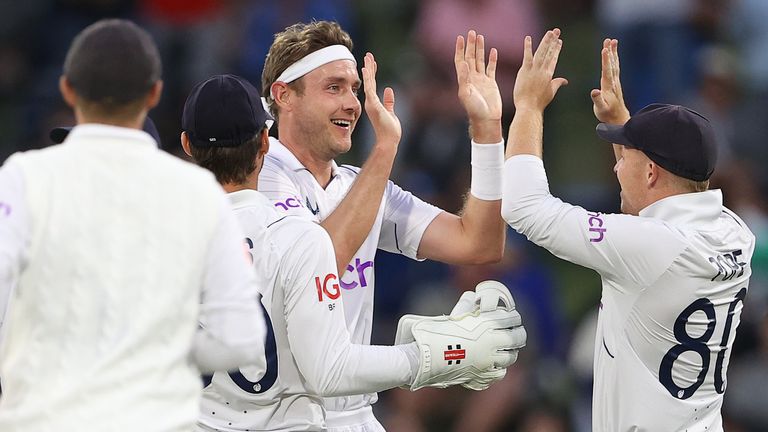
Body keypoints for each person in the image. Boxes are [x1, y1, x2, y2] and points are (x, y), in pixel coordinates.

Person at [180, 73, 526, 431]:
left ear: (187, 144)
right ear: (265, 142)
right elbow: (330, 372)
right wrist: (442, 354)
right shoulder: (298, 237)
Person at [0, 19, 268, 431]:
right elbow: (241, 339)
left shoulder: (21, 178)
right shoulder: (198, 192)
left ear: (68, 89)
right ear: (154, 93)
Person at [500, 29, 756, 431]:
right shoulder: (736, 232)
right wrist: (624, 125)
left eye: (626, 158)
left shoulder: (651, 246)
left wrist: (528, 106)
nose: (617, 167)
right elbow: (657, 208)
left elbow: (524, 208)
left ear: (652, 171)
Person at [258, 20, 508, 430]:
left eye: (354, 88)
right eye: (333, 87)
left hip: (354, 416)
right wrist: (386, 148)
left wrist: (486, 131)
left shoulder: (360, 184)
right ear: (284, 96)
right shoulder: (259, 177)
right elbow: (316, 264)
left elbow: (478, 243)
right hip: (283, 418)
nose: (353, 103)